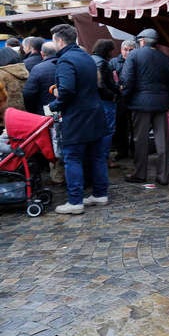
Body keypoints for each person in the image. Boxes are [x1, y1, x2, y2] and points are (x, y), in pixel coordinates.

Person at [48, 24, 109, 215]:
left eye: (53, 40)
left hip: (77, 118)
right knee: (98, 157)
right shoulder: (86, 57)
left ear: (59, 40)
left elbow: (66, 90)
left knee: (72, 158)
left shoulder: (66, 61)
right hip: (95, 114)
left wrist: (54, 106)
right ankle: (100, 194)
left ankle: (75, 201)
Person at [120, 28, 169, 186]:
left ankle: (140, 173)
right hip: (161, 104)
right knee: (162, 141)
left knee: (140, 140)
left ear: (142, 41)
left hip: (140, 103)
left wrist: (125, 99)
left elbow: (127, 80)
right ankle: (163, 176)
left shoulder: (134, 55)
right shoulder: (167, 59)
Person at [22, 41, 61, 184]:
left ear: (42, 54)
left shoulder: (38, 69)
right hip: (67, 110)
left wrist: (32, 110)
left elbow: (28, 93)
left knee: (52, 143)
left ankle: (57, 176)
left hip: (46, 112)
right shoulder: (65, 64)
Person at [91, 39, 121, 170]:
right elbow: (102, 85)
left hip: (95, 101)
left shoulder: (91, 59)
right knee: (108, 131)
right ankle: (103, 158)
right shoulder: (102, 63)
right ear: (107, 50)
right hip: (105, 101)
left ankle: (99, 158)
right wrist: (114, 93)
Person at [109, 40, 135, 159]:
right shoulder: (114, 62)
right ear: (121, 50)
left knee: (135, 126)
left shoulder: (137, 61)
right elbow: (110, 79)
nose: (128, 53)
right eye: (126, 50)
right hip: (119, 99)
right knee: (120, 127)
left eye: (131, 50)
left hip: (134, 98)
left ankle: (135, 151)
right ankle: (122, 151)